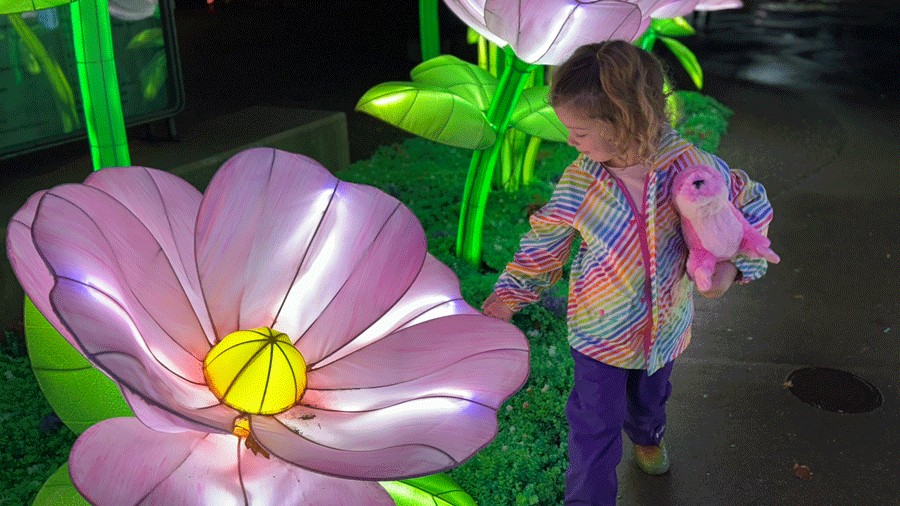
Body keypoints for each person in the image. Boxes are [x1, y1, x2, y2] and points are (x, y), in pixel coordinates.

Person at [481, 40, 776, 505]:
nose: (570, 142)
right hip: (600, 334)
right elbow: (546, 241)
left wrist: (736, 265)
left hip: (666, 330)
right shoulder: (582, 181)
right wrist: (510, 295)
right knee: (593, 426)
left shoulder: (692, 169)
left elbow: (750, 201)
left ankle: (648, 435)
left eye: (578, 132)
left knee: (650, 400)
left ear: (623, 121)